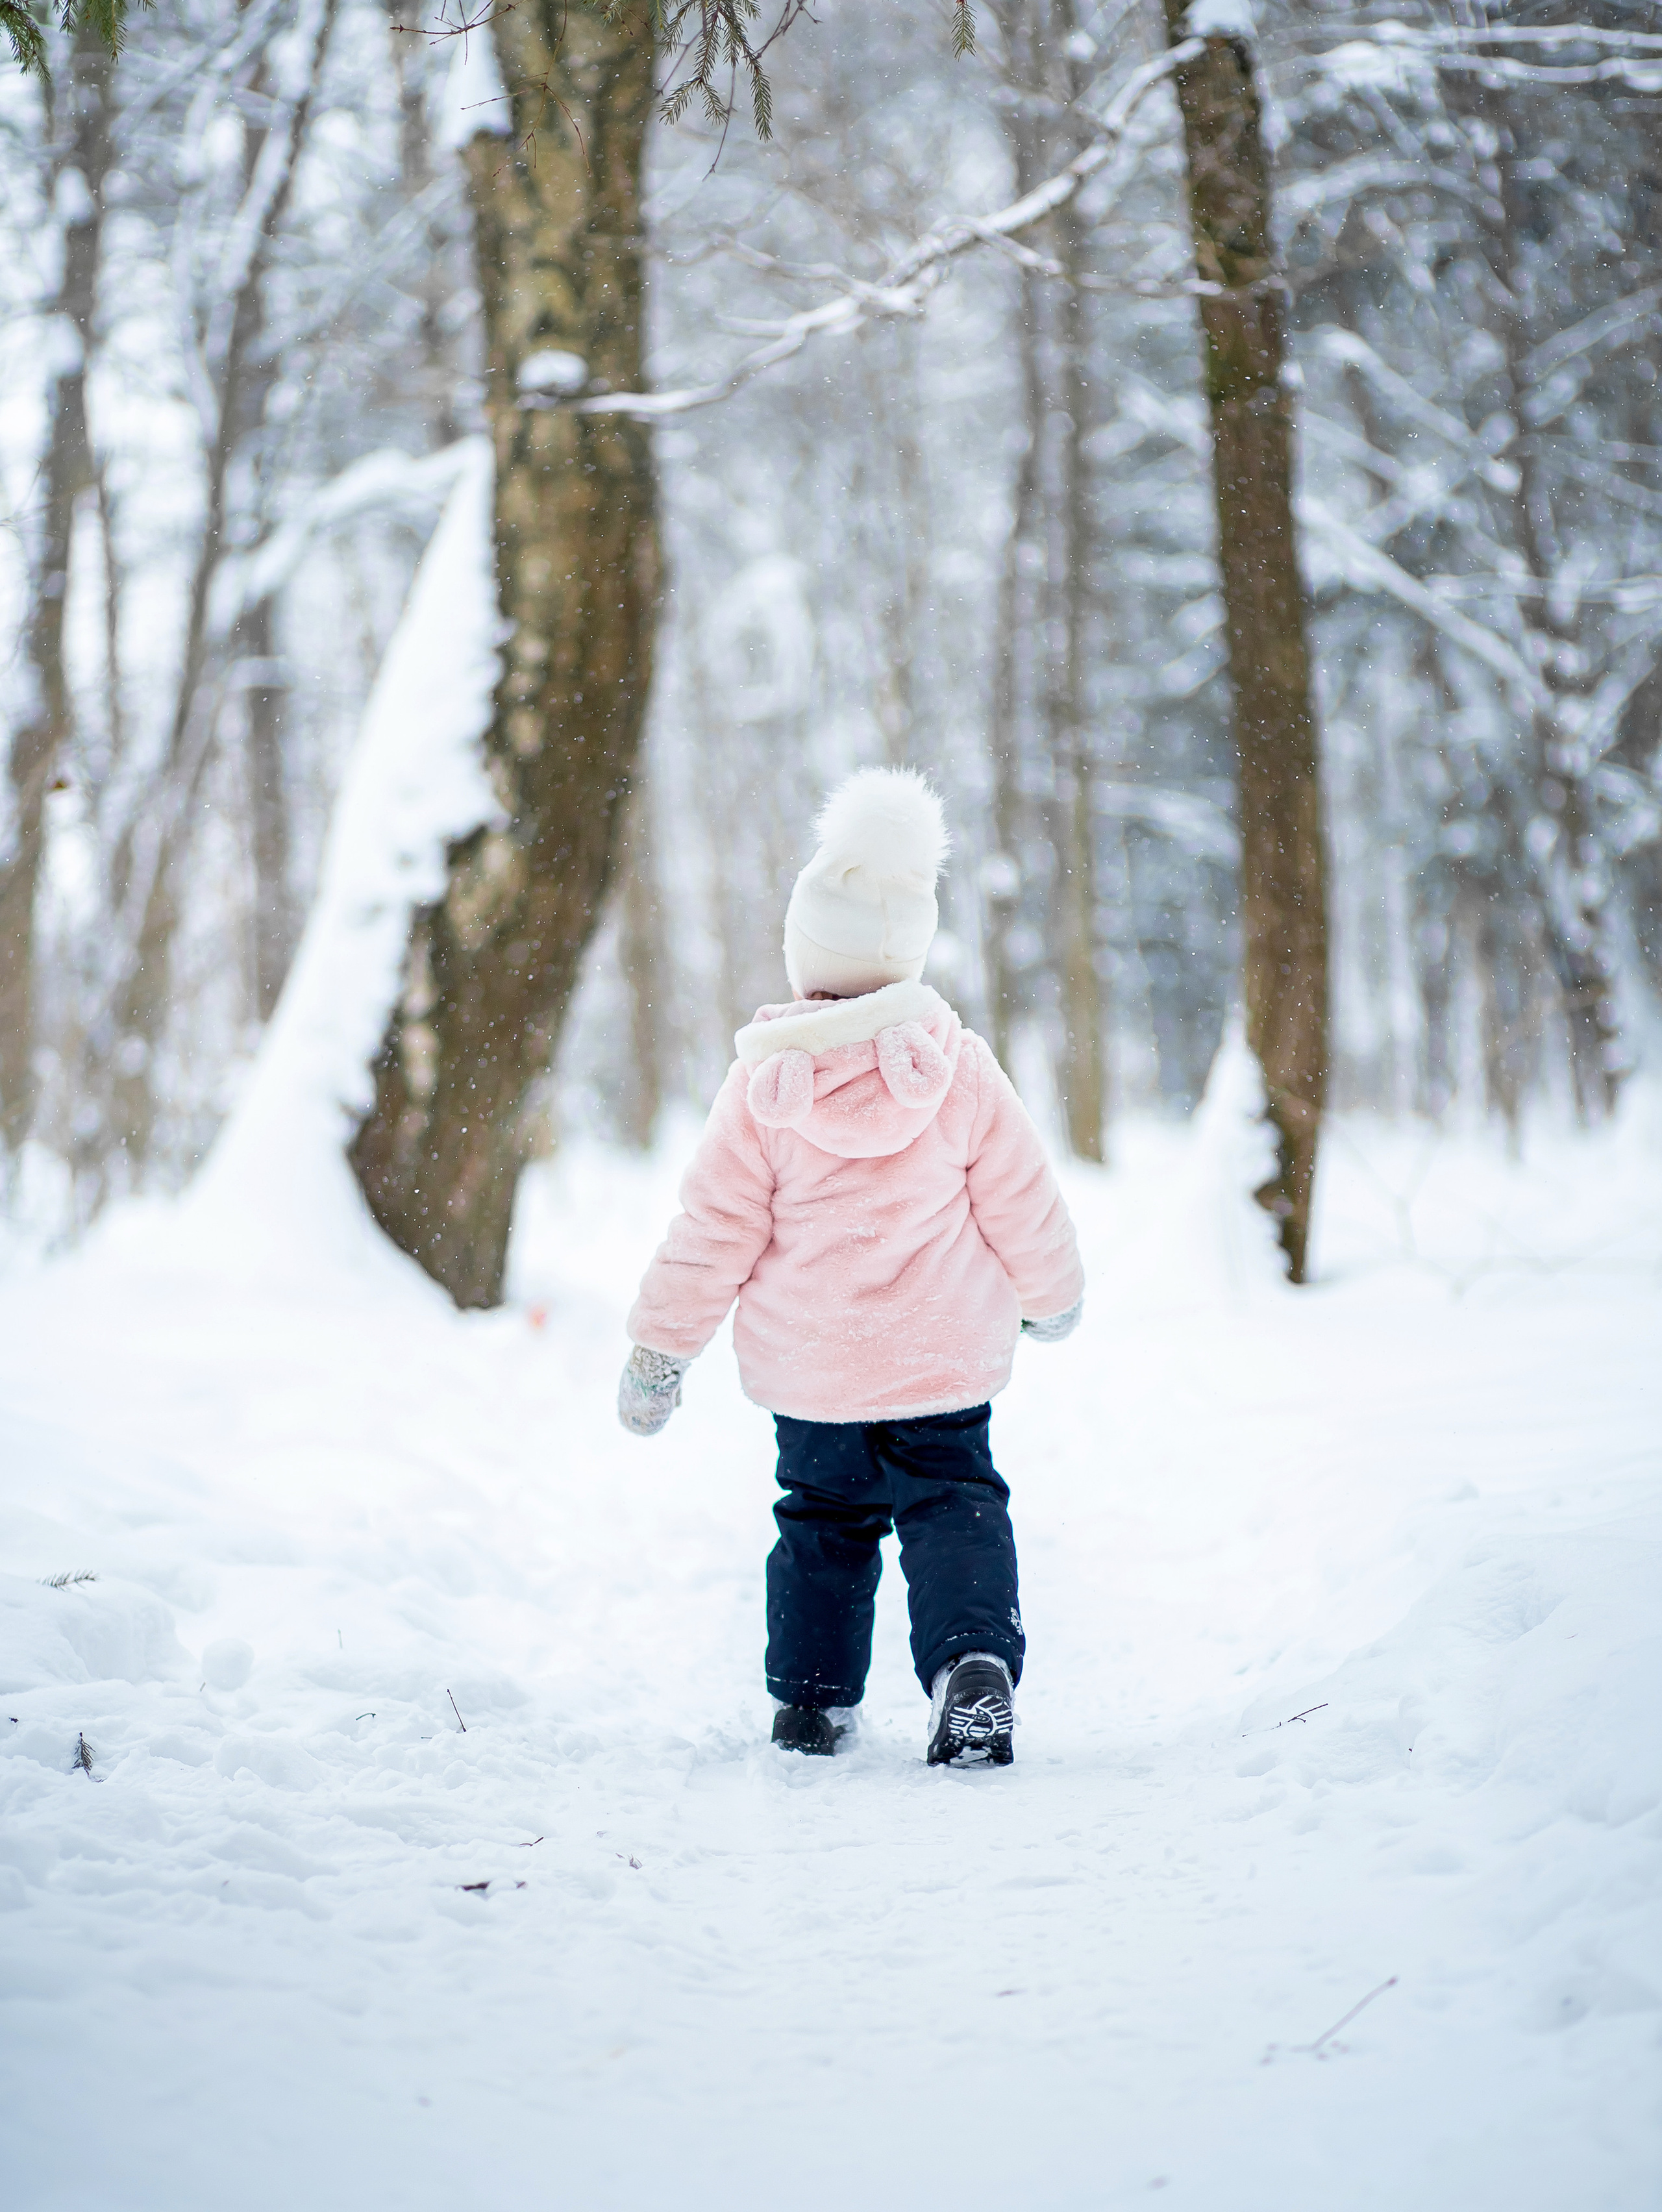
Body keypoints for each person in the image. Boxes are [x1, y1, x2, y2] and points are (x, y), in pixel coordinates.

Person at [617, 767, 1084, 1766]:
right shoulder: (956, 1065)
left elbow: (713, 1230)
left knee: (821, 1522)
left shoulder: (760, 1087)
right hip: (940, 1358)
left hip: (815, 1371)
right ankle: (971, 1663)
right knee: (953, 1501)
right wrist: (1052, 1297)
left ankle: (814, 1702)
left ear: (802, 956)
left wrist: (660, 1349)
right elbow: (1020, 1193)